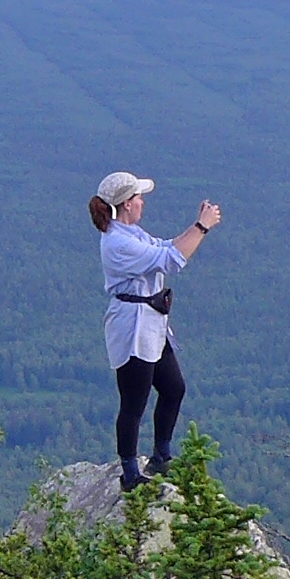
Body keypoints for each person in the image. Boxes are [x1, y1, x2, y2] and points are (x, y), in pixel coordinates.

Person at [90, 169, 217, 491]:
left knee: (174, 388)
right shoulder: (119, 243)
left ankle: (162, 457)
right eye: (138, 197)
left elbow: (165, 246)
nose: (142, 202)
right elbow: (172, 260)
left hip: (151, 324)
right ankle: (130, 472)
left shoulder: (131, 233)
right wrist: (202, 226)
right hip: (132, 328)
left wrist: (195, 226)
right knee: (134, 402)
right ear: (127, 204)